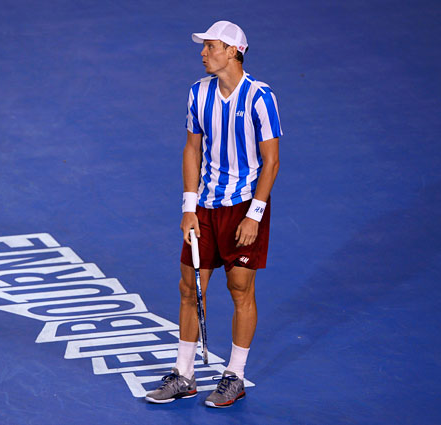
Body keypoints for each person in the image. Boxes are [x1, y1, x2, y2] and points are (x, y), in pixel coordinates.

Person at [145, 20, 282, 407]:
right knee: (190, 288)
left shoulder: (260, 97)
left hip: (244, 206)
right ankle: (184, 374)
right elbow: (192, 149)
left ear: (233, 52)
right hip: (204, 207)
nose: (203, 53)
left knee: (240, 289)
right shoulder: (198, 92)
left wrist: (255, 215)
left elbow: (271, 161)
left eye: (211, 47)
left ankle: (234, 375)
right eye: (204, 47)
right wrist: (189, 207)